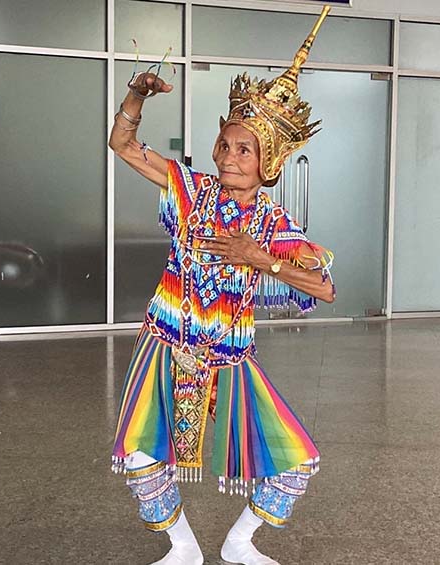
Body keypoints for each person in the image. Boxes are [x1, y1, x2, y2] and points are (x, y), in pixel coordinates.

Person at [109, 7, 335, 565]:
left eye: (245, 149)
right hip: (165, 345)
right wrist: (136, 96)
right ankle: (182, 548)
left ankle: (239, 544)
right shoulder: (190, 190)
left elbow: (323, 287)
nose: (229, 157)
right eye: (225, 145)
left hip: (231, 358)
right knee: (140, 454)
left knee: (295, 461)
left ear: (268, 162)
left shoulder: (274, 223)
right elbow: (124, 145)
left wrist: (261, 259)